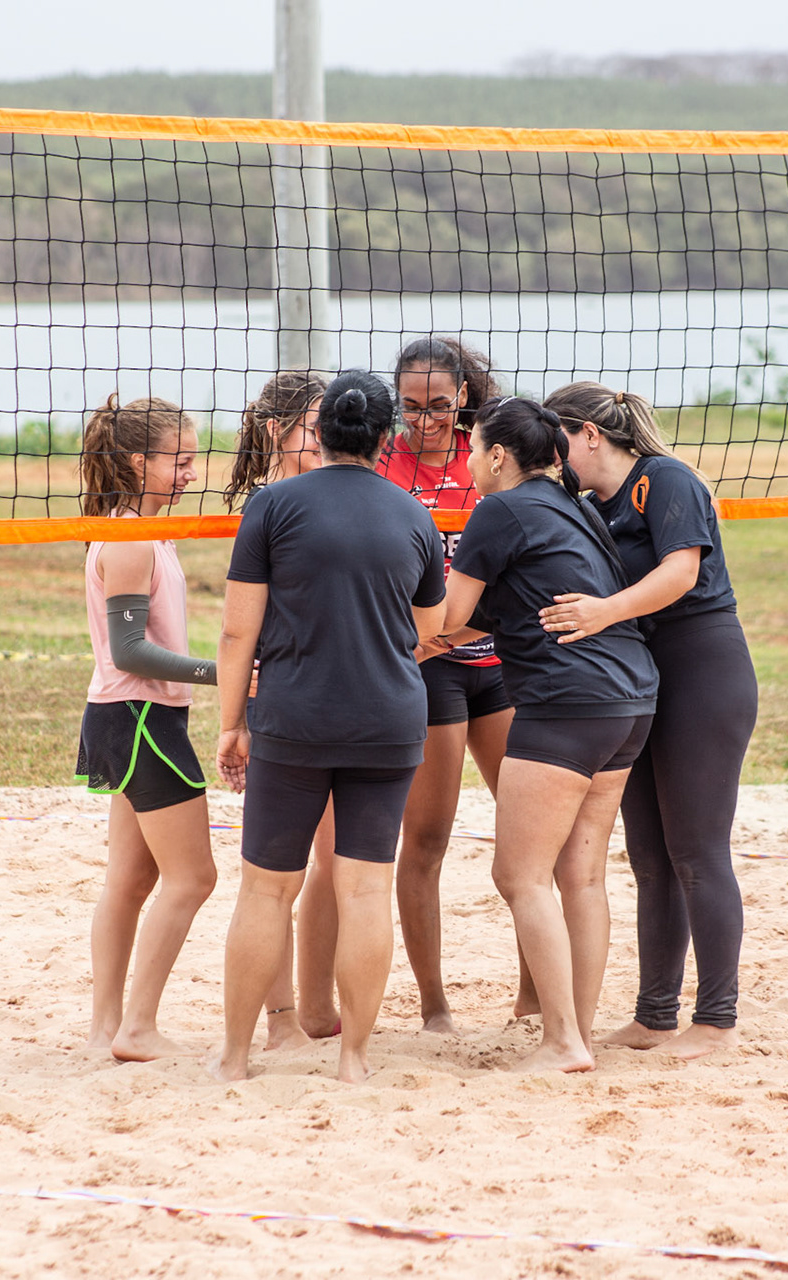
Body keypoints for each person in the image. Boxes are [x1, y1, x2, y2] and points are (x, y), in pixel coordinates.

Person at [209, 370, 446, 1084]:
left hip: (294, 717)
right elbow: (428, 628)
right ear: (385, 436)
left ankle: (235, 1058)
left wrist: (231, 723)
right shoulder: (415, 515)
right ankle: (354, 1060)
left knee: (265, 891)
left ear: (322, 431)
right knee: (365, 890)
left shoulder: (272, 506)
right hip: (388, 721)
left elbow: (236, 632)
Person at [439, 395, 659, 1073]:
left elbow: (446, 617)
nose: (468, 460)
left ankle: (561, 1042)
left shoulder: (498, 509)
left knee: (520, 875)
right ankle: (576, 1037)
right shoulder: (573, 505)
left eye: (472, 448)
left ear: (498, 456)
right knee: (580, 875)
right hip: (631, 698)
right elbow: (500, 614)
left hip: (568, 703)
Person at [539, 382, 756, 1060]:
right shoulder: (584, 504)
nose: (551, 456)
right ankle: (655, 1015)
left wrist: (603, 612)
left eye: (557, 440)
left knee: (697, 849)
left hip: (701, 668)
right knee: (651, 856)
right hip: (636, 681)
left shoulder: (663, 480)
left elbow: (681, 573)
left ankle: (716, 1020)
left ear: (589, 433)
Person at [379, 336, 517, 1033]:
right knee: (426, 841)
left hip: (497, 664)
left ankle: (532, 998)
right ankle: (434, 1007)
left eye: (437, 405)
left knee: (527, 838)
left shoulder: (490, 456)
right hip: (426, 669)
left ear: (463, 395)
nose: (424, 420)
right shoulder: (384, 463)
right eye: (410, 406)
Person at [75, 395, 219, 1062]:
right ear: (139, 462)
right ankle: (135, 1028)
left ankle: (107, 1029)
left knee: (130, 883)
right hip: (138, 717)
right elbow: (130, 652)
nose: (190, 473)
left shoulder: (143, 530)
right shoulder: (130, 536)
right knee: (193, 879)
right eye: (179, 461)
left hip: (128, 715)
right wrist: (224, 673)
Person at [225, 370, 343, 1049]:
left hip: (336, 699)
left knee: (334, 865)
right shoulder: (267, 506)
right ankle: (280, 1020)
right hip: (282, 701)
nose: (324, 439)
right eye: (313, 428)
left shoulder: (336, 490)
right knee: (275, 878)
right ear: (278, 431)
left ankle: (317, 1006)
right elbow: (242, 628)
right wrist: (236, 717)